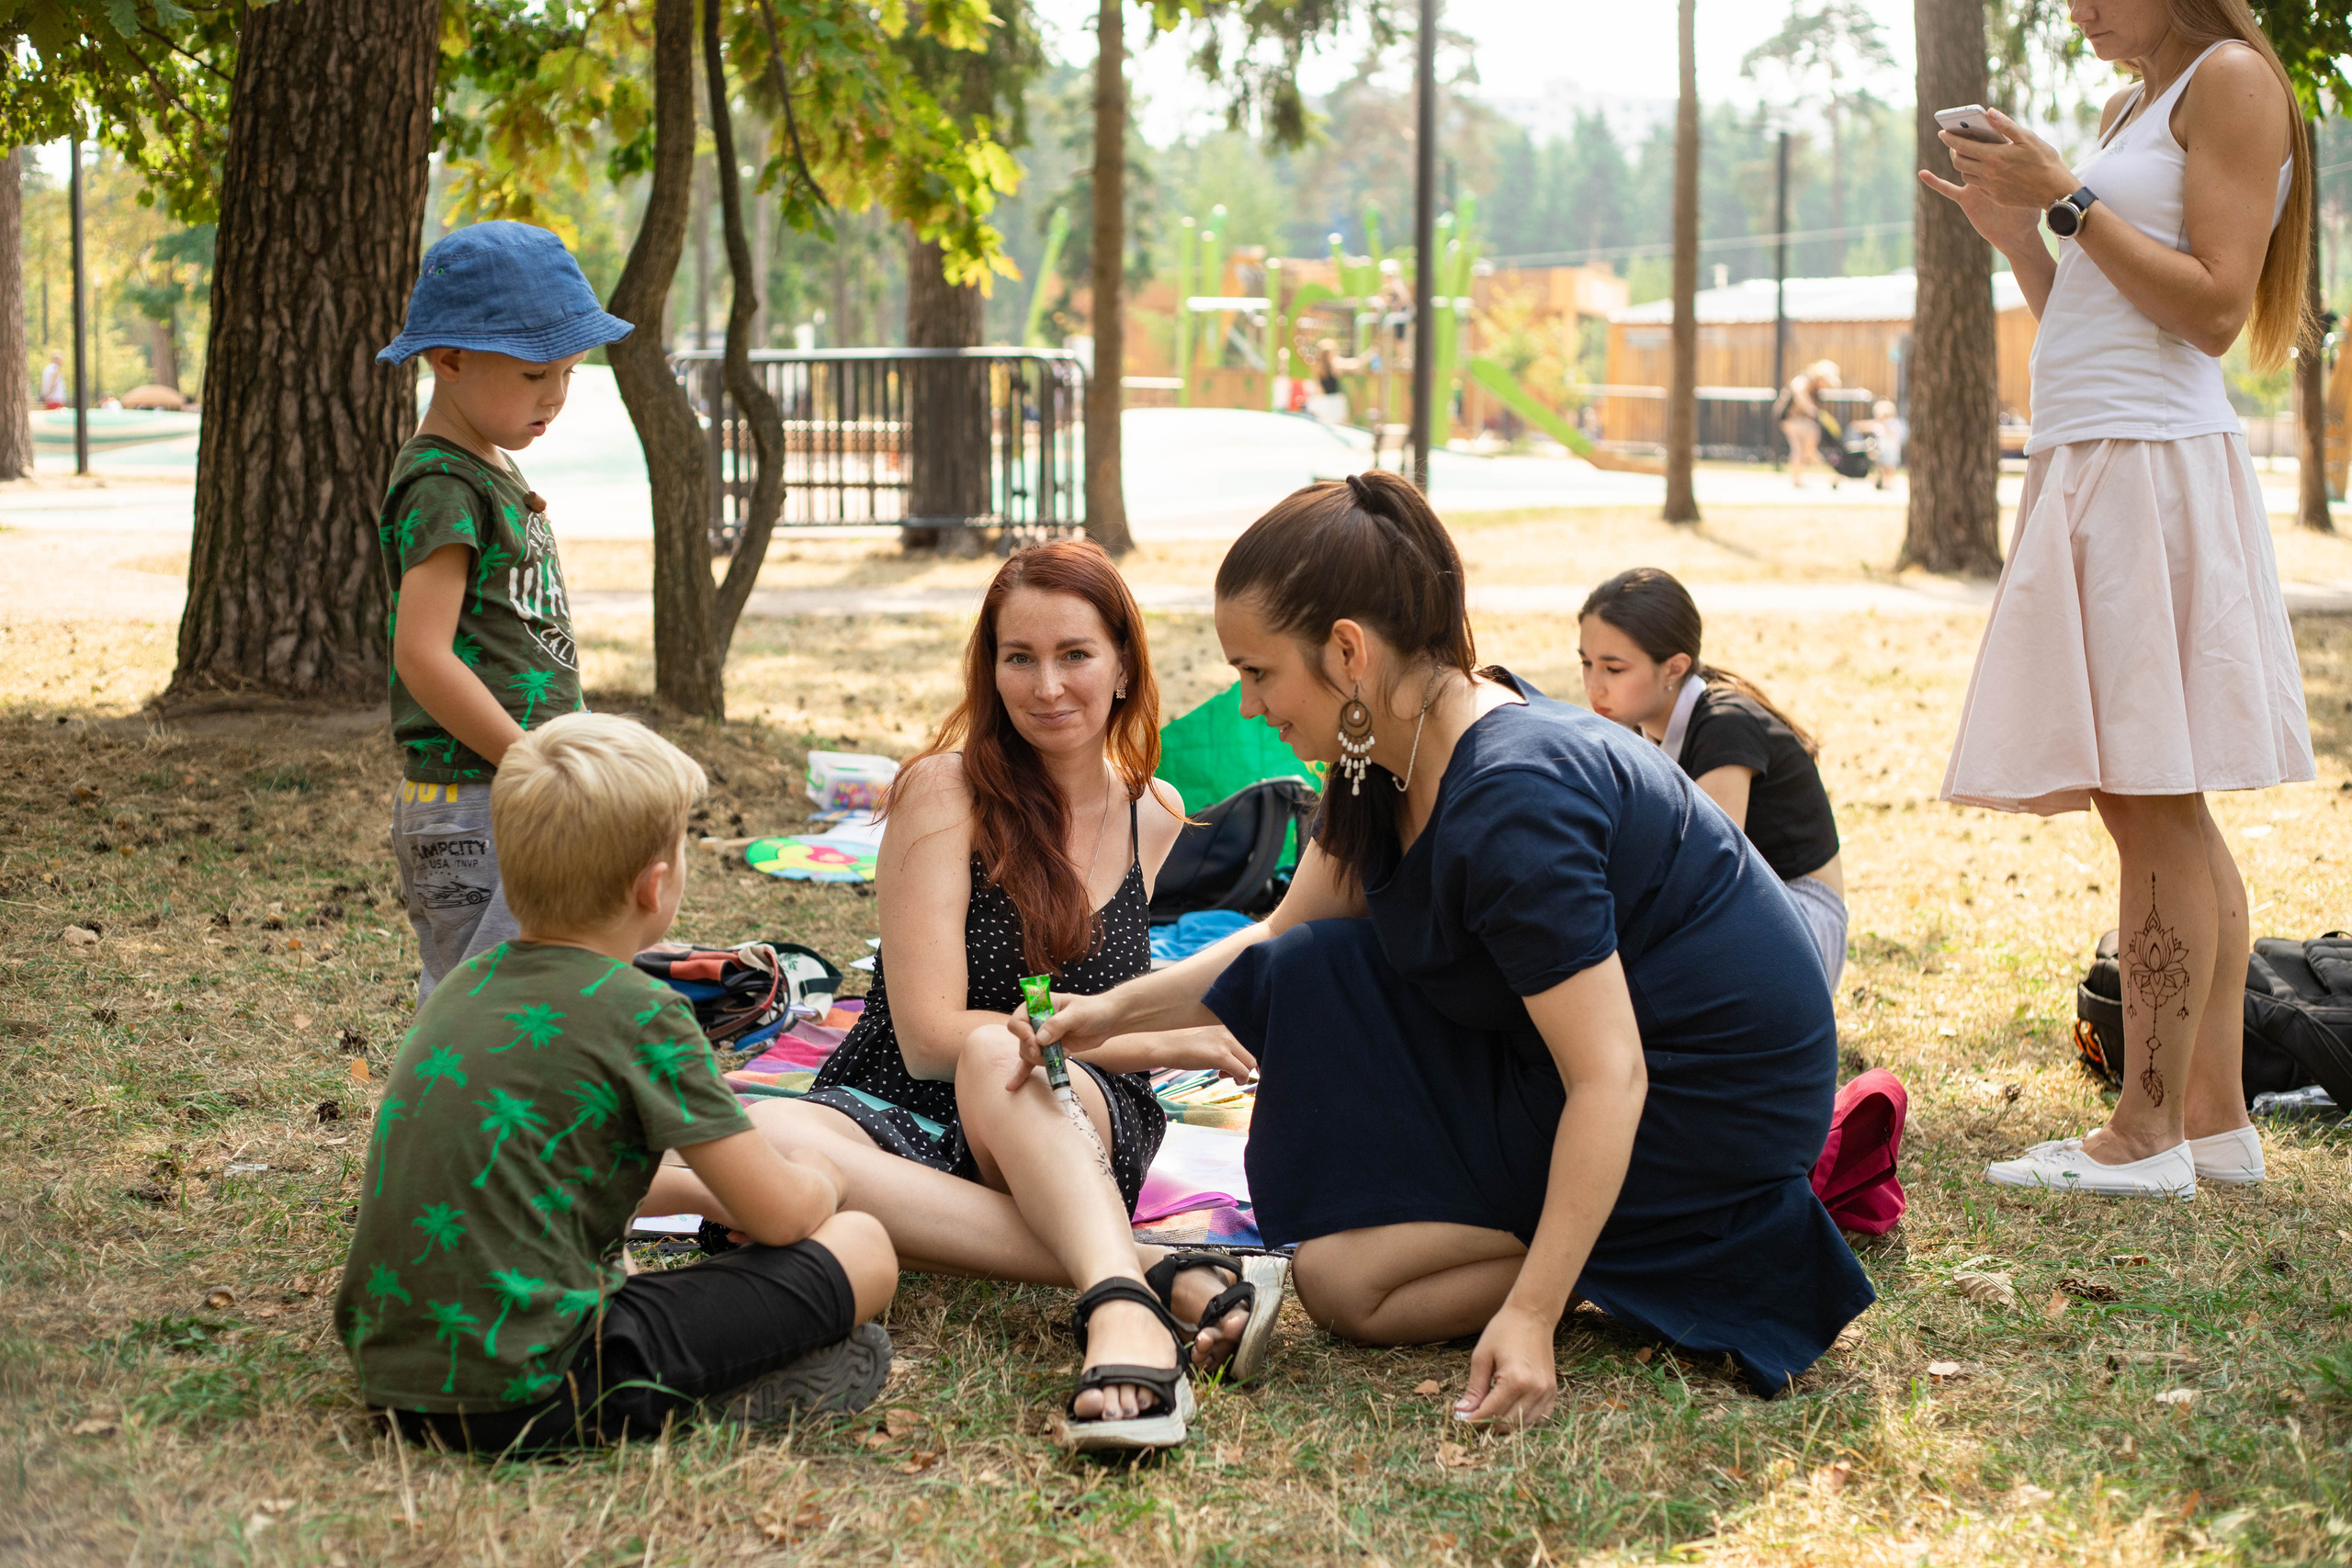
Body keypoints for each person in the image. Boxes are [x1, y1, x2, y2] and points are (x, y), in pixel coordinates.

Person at [1012, 472, 1872, 1424]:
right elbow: (1280, 938)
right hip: (1559, 1058)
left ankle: (1651, 1251)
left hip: (1696, 1103)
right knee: (1314, 1016)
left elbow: (1610, 1075)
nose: (1247, 706)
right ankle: (1605, 1247)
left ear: (1347, 652)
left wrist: (1535, 1313)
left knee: (1348, 1287)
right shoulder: (1380, 752)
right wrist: (1101, 1014)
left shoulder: (1513, 805)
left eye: (1257, 672)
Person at [647, 540, 1285, 1453]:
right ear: (990, 669)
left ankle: (1118, 1312)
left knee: (1001, 1055)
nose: (1046, 685)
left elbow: (1092, 1005)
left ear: (1122, 665)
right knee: (775, 1136)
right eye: (1017, 657)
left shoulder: (1154, 808)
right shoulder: (944, 791)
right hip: (897, 1099)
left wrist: (1173, 1032)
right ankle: (1163, 1273)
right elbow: (926, 1039)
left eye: (1074, 654)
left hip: (1070, 1114)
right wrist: (1159, 1044)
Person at [1922, 0, 2312, 1197]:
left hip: (2152, 463)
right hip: (2095, 454)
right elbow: (2095, 317)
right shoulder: (2129, 104)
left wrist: (2067, 197)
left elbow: (2211, 312)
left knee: (2150, 791)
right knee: (2154, 796)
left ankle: (2145, 1135)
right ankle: (2214, 1124)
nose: (2079, 9)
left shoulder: (2232, 79)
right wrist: (2020, 236)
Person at [332, 713, 900, 1454]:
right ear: (654, 883)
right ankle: (723, 1395)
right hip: (533, 1389)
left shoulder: (464, 985)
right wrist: (822, 1180)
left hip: (394, 1377)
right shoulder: (643, 1014)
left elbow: (549, 1172)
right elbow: (784, 1218)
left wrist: (701, 1191)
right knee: (865, 1247)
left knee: (624, 1262)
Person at [375, 221, 629, 1002]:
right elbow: (422, 653)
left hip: (515, 788)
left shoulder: (488, 465)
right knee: (486, 1004)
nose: (554, 394)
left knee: (529, 989)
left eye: (568, 371)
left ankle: (496, 1122)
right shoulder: (444, 483)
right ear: (448, 360)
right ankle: (451, 1124)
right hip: (477, 801)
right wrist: (525, 758)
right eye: (532, 374)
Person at [1578, 568, 1849, 991]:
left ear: (1674, 668)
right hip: (1747, 912)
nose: (1593, 686)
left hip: (1799, 921)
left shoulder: (1724, 725)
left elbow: (1706, 875)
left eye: (1613, 669)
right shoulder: (1641, 724)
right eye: (1586, 662)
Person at [1776, 361, 1840, 488]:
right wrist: (1812, 410)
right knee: (1811, 433)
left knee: (1799, 449)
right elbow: (1799, 393)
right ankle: (1810, 458)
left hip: (1800, 421)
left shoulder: (1816, 390)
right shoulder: (1802, 380)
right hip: (1791, 420)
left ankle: (1798, 478)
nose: (1827, 385)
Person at [1862, 398, 1905, 489]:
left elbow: (1895, 435)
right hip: (1882, 447)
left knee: (1890, 465)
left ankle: (1890, 481)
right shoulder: (1879, 425)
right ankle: (1883, 481)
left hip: (1891, 448)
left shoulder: (1893, 423)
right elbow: (1871, 428)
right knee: (1882, 465)